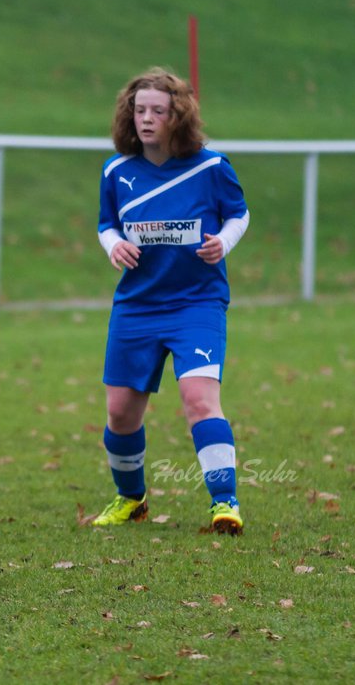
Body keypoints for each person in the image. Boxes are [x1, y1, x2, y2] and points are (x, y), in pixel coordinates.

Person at [90, 67, 250, 535]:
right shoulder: (116, 170)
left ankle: (226, 503)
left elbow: (239, 215)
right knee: (120, 413)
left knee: (199, 400)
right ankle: (131, 499)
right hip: (137, 305)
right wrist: (112, 245)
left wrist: (223, 240)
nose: (146, 119)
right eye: (139, 110)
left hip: (196, 304)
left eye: (158, 111)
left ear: (176, 115)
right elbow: (106, 224)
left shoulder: (211, 166)